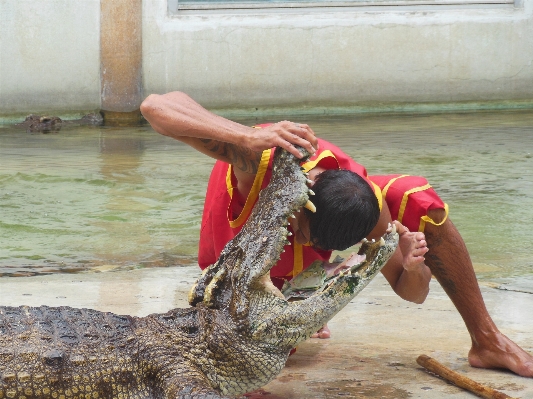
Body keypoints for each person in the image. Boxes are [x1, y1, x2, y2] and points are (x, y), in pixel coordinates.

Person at [140, 91, 533, 378]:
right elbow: (156, 105)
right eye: (306, 234)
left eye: (321, 246)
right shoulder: (257, 160)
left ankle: (486, 339)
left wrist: (413, 265)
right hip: (244, 250)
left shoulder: (366, 200)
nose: (309, 244)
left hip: (309, 248)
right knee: (256, 349)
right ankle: (297, 302)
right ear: (303, 203)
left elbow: (412, 292)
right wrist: (246, 136)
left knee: (413, 198)